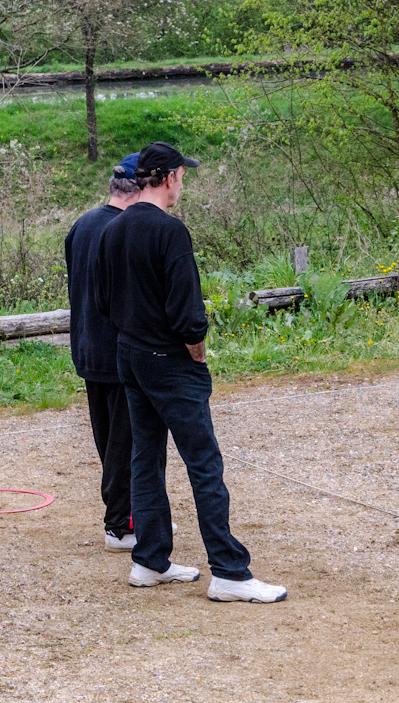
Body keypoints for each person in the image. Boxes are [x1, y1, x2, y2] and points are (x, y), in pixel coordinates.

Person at [96, 141, 287, 603]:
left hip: (129, 354)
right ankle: (229, 571)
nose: (183, 185)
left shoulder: (112, 229)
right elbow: (188, 315)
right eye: (182, 177)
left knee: (146, 458)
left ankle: (149, 560)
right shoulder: (170, 232)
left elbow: (102, 301)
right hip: (169, 361)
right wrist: (197, 353)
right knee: (204, 464)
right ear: (167, 177)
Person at [65, 153, 143, 551]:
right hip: (116, 349)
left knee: (109, 438)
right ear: (139, 188)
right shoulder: (124, 230)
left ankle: (133, 513)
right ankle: (121, 524)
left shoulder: (82, 224)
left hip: (86, 346)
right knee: (124, 442)